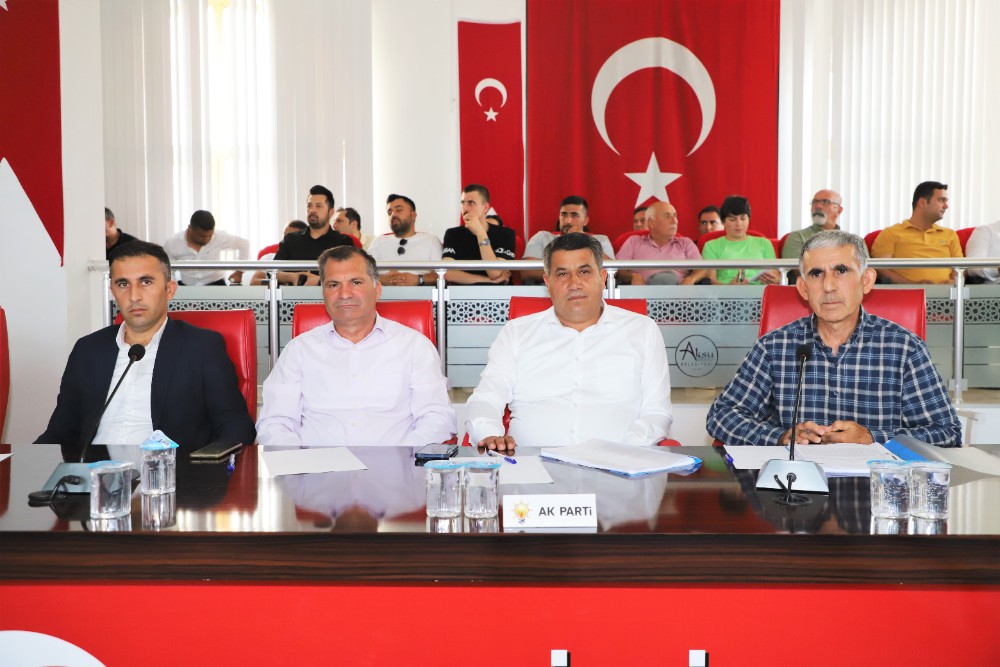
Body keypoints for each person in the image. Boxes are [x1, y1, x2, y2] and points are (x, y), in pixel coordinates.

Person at [706, 230, 961, 448]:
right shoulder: (774, 347)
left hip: (875, 485)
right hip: (796, 484)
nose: (828, 286)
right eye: (816, 274)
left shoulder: (904, 348)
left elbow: (947, 432)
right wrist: (781, 436)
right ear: (803, 288)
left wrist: (873, 438)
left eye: (841, 270)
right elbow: (721, 416)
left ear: (866, 280)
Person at [36, 241, 256, 459]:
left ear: (170, 289)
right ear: (112, 291)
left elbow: (235, 425)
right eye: (123, 284)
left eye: (146, 282)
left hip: (168, 472)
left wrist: (205, 470)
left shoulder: (201, 347)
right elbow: (61, 429)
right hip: (93, 472)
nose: (134, 296)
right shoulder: (88, 349)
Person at [465, 232, 673, 450]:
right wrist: (490, 434)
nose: (574, 283)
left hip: (619, 465)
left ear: (602, 278)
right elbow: (486, 398)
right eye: (563, 274)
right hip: (531, 465)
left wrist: (626, 452)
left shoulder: (643, 331)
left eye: (584, 272)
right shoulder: (516, 333)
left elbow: (657, 412)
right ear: (548, 282)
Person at [255, 245, 456, 447]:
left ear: (377, 290)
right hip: (315, 464)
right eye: (333, 284)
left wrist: (402, 457)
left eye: (356, 282)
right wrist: (299, 460)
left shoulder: (414, 346)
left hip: (396, 463)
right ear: (323, 292)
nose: (344, 294)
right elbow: (275, 422)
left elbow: (436, 417)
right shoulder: (298, 350)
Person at [871, 181, 962, 284]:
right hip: (907, 292)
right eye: (941, 200)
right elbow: (882, 269)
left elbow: (960, 268)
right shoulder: (890, 233)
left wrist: (951, 284)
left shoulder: (950, 235)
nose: (946, 206)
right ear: (922, 202)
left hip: (947, 293)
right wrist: (911, 285)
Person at [272, 185, 356, 286]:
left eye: (318, 206)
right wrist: (292, 277)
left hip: (329, 295)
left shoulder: (343, 242)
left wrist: (320, 281)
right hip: (294, 294)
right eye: (309, 206)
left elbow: (351, 275)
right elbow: (272, 272)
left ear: (330, 212)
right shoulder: (291, 239)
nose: (312, 210)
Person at [520, 195, 615, 283]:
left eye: (574, 215)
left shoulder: (601, 240)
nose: (568, 220)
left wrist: (582, 239)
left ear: (585, 221)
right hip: (547, 291)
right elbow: (526, 272)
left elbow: (613, 271)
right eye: (564, 215)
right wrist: (565, 275)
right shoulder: (543, 237)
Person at [441, 184, 516, 285]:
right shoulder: (452, 234)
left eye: (471, 203)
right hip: (462, 293)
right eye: (462, 203)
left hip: (497, 293)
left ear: (485, 208)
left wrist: (480, 233)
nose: (465, 208)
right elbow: (447, 274)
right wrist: (488, 280)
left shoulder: (505, 234)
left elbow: (494, 273)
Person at [616, 202, 702, 285]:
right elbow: (618, 270)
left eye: (675, 216)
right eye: (667, 216)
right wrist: (633, 276)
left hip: (678, 292)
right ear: (651, 223)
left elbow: (703, 269)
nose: (674, 221)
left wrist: (691, 278)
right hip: (643, 292)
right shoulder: (633, 242)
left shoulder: (686, 243)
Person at [701, 195, 780, 285]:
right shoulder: (711, 246)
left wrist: (774, 279)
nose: (739, 224)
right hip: (725, 292)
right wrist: (729, 287)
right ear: (723, 222)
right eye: (732, 219)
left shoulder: (764, 243)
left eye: (743, 218)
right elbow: (711, 281)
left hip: (761, 292)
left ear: (749, 219)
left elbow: (775, 274)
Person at [368, 194, 442, 287]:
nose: (393, 214)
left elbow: (442, 275)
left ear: (413, 215)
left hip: (421, 293)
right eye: (389, 212)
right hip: (383, 293)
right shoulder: (378, 242)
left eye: (399, 210)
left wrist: (418, 279)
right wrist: (382, 279)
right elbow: (362, 272)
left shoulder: (430, 241)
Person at [163, 210, 250, 286]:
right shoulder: (172, 243)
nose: (207, 239)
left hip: (216, 284)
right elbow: (168, 271)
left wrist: (239, 271)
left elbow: (244, 244)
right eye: (202, 236)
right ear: (190, 228)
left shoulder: (219, 237)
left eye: (210, 235)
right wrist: (174, 286)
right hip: (187, 286)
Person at [781, 189, 844, 264]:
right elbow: (796, 268)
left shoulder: (849, 240)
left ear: (839, 210)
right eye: (815, 202)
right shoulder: (798, 237)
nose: (818, 206)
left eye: (825, 202)